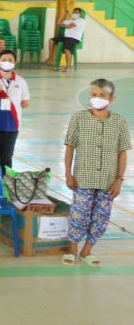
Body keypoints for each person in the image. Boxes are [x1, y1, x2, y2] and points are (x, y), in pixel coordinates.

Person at [63, 78, 130, 267]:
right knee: (79, 212)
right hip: (83, 177)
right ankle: (73, 248)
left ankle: (87, 251)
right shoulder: (78, 117)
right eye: (93, 95)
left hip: (108, 180)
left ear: (111, 98)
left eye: (102, 95)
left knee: (101, 215)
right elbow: (70, 147)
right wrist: (68, 174)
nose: (97, 98)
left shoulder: (120, 122)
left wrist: (119, 179)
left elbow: (122, 153)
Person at [0, 50, 30, 170]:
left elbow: (26, 102)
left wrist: (12, 109)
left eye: (10, 60)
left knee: (7, 158)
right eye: (3, 59)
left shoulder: (21, 81)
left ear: (15, 63)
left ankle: (5, 186)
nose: (6, 62)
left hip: (11, 126)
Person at [47, 7, 86, 72]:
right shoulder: (70, 21)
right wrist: (64, 14)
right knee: (51, 41)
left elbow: (69, 26)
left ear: (80, 14)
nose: (74, 13)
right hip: (66, 37)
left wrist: (65, 25)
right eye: (74, 12)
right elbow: (58, 23)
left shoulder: (81, 20)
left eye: (76, 12)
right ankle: (50, 57)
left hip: (75, 38)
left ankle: (68, 67)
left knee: (66, 49)